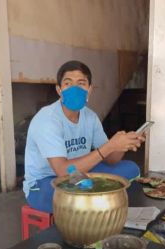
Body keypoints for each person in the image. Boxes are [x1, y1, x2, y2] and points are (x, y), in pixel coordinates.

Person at [23, 60, 145, 213]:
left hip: (79, 173)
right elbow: (62, 171)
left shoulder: (90, 117)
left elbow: (111, 159)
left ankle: (96, 206)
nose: (74, 88)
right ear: (59, 90)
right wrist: (109, 146)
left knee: (131, 169)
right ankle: (94, 215)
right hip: (45, 182)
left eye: (81, 83)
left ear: (89, 89)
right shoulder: (47, 119)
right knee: (77, 193)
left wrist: (122, 144)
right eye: (68, 83)